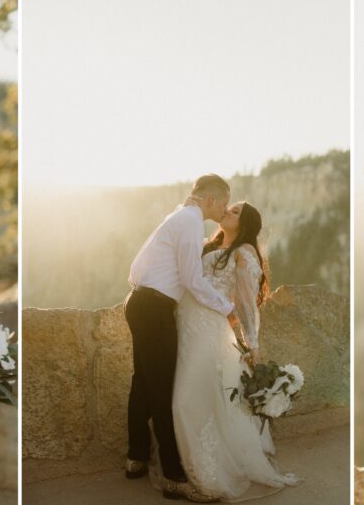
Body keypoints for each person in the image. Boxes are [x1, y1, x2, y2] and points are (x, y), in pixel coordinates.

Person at [171, 200, 300, 502]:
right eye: (230, 207)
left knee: (185, 400)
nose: (228, 210)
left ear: (246, 224)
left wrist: (251, 344)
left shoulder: (244, 253)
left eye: (236, 211)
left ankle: (208, 474)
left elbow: (245, 303)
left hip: (209, 331)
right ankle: (188, 466)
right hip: (184, 327)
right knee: (195, 399)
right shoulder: (207, 244)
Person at [125, 174, 235, 502]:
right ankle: (174, 477)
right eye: (224, 203)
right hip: (154, 309)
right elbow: (192, 279)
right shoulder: (189, 222)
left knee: (143, 383)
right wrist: (227, 307)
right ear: (211, 200)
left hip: (139, 301)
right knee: (162, 392)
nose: (224, 210)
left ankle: (135, 458)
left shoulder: (176, 216)